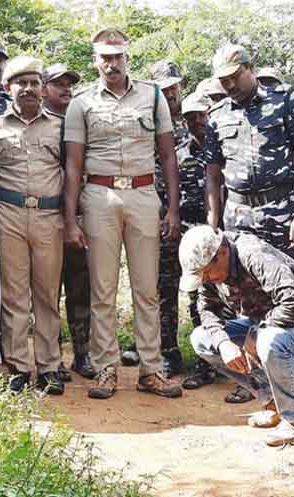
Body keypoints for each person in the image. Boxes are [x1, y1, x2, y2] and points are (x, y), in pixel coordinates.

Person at [63, 27, 183, 399]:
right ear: (95, 60)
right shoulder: (80, 103)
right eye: (104, 57)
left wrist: (173, 208)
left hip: (144, 194)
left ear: (126, 57)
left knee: (147, 289)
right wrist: (71, 219)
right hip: (99, 196)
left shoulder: (152, 95)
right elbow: (72, 165)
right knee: (103, 290)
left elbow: (167, 154)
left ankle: (151, 368)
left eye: (117, 57)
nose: (111, 64)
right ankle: (105, 369)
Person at [205, 43, 294, 404]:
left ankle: (292, 376)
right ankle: (254, 380)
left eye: (235, 77)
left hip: (281, 208)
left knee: (283, 292)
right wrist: (213, 224)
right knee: (244, 298)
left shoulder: (285, 101)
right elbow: (212, 174)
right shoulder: (217, 114)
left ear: (250, 69)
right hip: (237, 214)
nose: (229, 85)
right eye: (223, 80)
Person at [183, 226, 294, 446]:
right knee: (203, 339)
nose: (205, 279)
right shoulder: (212, 273)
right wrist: (223, 343)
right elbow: (207, 310)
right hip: (273, 326)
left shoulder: (252, 254)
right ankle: (274, 404)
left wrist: (256, 332)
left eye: (206, 272)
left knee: (268, 340)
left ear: (222, 253)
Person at [0, 57, 67, 394]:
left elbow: (72, 172)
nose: (29, 88)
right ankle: (17, 365)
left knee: (47, 294)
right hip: (8, 213)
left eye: (34, 82)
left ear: (43, 88)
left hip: (49, 215)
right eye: (21, 82)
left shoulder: (60, 127)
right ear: (8, 88)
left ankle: (49, 367)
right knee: (14, 294)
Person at [121, 60, 190, 376]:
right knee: (157, 283)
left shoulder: (196, 121)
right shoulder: (145, 126)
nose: (169, 93)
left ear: (182, 86)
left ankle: (205, 356)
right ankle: (162, 348)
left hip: (194, 218)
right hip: (155, 215)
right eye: (162, 89)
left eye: (173, 87)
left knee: (201, 288)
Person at [42, 63, 96, 380]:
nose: (66, 89)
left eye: (69, 84)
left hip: (80, 214)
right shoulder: (36, 122)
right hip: (45, 214)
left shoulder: (82, 120)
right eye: (57, 84)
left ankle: (83, 353)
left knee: (81, 286)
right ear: (43, 87)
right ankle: (51, 357)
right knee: (47, 290)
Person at [175, 94, 219, 390]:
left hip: (223, 235)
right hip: (192, 234)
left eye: (201, 115)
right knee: (198, 302)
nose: (197, 121)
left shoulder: (226, 147)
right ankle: (206, 367)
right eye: (190, 117)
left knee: (234, 302)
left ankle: (240, 367)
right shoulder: (181, 154)